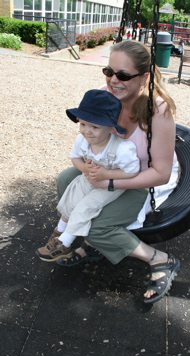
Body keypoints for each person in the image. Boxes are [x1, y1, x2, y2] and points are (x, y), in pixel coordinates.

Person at [44, 40, 180, 304]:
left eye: (123, 75)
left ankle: (161, 259)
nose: (113, 80)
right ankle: (93, 243)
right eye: (109, 72)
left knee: (95, 225)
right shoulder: (102, 97)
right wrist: (89, 168)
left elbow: (160, 173)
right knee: (66, 179)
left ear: (144, 78)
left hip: (141, 178)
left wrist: (109, 182)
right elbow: (87, 140)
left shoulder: (158, 110)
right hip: (107, 170)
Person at [36, 89, 139, 262]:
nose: (87, 131)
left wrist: (106, 174)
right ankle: (59, 231)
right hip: (89, 178)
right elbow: (75, 158)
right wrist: (85, 168)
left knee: (85, 207)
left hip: (111, 184)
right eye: (83, 124)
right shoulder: (82, 140)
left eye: (95, 126)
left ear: (110, 128)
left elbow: (132, 172)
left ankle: (65, 243)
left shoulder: (122, 149)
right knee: (71, 199)